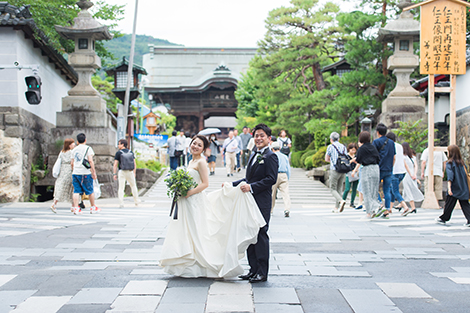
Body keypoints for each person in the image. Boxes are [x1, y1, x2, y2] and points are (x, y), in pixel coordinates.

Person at [159, 135, 266, 278]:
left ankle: (203, 263)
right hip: (186, 202)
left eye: (199, 145)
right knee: (186, 230)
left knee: (197, 230)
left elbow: (205, 184)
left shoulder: (201, 162)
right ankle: (187, 262)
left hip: (195, 200)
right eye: (194, 143)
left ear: (203, 149)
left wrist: (189, 192)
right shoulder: (191, 161)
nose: (195, 146)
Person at [236, 123, 278, 283]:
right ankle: (252, 270)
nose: (258, 138)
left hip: (262, 202)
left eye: (262, 135)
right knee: (250, 234)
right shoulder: (254, 154)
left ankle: (262, 272)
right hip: (249, 202)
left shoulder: (270, 156)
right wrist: (232, 185)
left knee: (261, 234)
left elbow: (271, 179)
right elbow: (249, 178)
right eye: (256, 136)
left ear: (269, 138)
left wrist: (251, 187)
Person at [436, 145, 470, 227]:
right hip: (463, 187)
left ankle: (444, 218)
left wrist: (449, 188)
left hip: (455, 187)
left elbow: (450, 177)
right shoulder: (462, 163)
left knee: (449, 204)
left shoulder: (450, 163)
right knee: (464, 204)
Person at [352, 131, 380, 219]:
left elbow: (359, 160)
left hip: (366, 169)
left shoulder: (361, 148)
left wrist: (354, 160)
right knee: (374, 190)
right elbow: (378, 158)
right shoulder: (373, 147)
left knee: (366, 191)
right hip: (376, 168)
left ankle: (370, 212)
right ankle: (375, 208)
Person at [71, 133, 100, 214]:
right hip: (85, 173)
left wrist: (74, 170)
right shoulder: (88, 148)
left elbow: (72, 162)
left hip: (76, 173)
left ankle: (76, 208)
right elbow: (90, 160)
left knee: (76, 191)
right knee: (90, 190)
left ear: (77, 141)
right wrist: (93, 171)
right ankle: (93, 207)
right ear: (85, 140)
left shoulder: (74, 150)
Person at [373, 123, 396, 218]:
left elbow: (373, 155)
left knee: (374, 189)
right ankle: (387, 210)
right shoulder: (391, 143)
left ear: (378, 132)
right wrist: (391, 166)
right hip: (389, 169)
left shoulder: (376, 142)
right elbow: (394, 157)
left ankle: (380, 205)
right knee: (387, 190)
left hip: (379, 168)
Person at [50, 138, 76, 213]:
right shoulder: (72, 152)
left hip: (62, 171)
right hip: (70, 170)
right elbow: (72, 162)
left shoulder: (62, 152)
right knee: (72, 187)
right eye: (72, 143)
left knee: (60, 186)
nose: (74, 145)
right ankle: (73, 206)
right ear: (69, 145)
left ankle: (54, 203)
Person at [113, 139, 140, 207]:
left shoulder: (118, 153)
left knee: (121, 188)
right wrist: (134, 172)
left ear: (122, 145)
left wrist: (114, 174)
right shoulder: (131, 152)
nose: (118, 145)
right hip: (130, 171)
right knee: (133, 186)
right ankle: (136, 201)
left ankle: (121, 203)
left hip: (122, 172)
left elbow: (115, 164)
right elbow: (134, 163)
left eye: (119, 144)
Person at [325, 132, 347, 213]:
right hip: (343, 170)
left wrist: (332, 160)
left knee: (333, 188)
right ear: (339, 139)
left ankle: (341, 201)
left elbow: (326, 159)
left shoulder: (330, 147)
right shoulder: (344, 147)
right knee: (339, 188)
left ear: (331, 139)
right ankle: (336, 207)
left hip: (334, 169)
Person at [386, 132, 409, 212]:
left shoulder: (390, 146)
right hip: (402, 171)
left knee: (395, 190)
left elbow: (393, 158)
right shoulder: (399, 146)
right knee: (392, 189)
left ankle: (405, 206)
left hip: (394, 171)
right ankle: (390, 208)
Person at [401, 142, 424, 216]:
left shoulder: (403, 156)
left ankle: (413, 207)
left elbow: (405, 166)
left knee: (408, 190)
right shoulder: (412, 157)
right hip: (413, 175)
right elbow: (416, 166)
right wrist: (414, 174)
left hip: (407, 175)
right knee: (405, 190)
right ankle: (400, 205)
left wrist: (411, 175)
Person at [270, 142, 291, 217]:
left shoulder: (271, 156)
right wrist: (287, 178)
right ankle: (287, 209)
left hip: (274, 175)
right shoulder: (284, 156)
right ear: (279, 148)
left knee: (272, 194)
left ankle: (271, 210)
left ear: (272, 149)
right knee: (285, 193)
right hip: (283, 175)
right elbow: (288, 168)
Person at [342, 143, 359, 208]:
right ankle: (343, 200)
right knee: (347, 188)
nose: (353, 151)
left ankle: (352, 202)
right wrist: (352, 160)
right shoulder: (346, 156)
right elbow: (345, 164)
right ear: (349, 149)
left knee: (354, 189)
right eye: (352, 150)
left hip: (355, 173)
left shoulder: (356, 156)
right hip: (348, 173)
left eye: (354, 150)